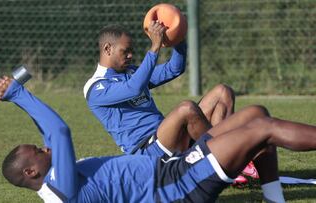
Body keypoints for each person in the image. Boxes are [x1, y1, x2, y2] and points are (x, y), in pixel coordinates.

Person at [0, 75, 316, 203]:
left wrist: (17, 99)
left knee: (255, 113)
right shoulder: (59, 188)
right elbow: (60, 131)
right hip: (179, 187)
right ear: (31, 172)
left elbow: (49, 132)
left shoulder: (52, 176)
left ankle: (274, 198)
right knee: (263, 128)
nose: (44, 146)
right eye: (37, 151)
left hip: (173, 168)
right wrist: (18, 93)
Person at [83, 22, 235, 157]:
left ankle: (226, 159)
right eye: (125, 51)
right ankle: (226, 155)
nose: (130, 55)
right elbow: (134, 88)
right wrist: (155, 48)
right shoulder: (96, 87)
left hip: (167, 134)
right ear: (107, 49)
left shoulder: (132, 72)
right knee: (186, 109)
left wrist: (178, 38)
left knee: (223, 92)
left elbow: (174, 69)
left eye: (131, 51)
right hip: (146, 149)